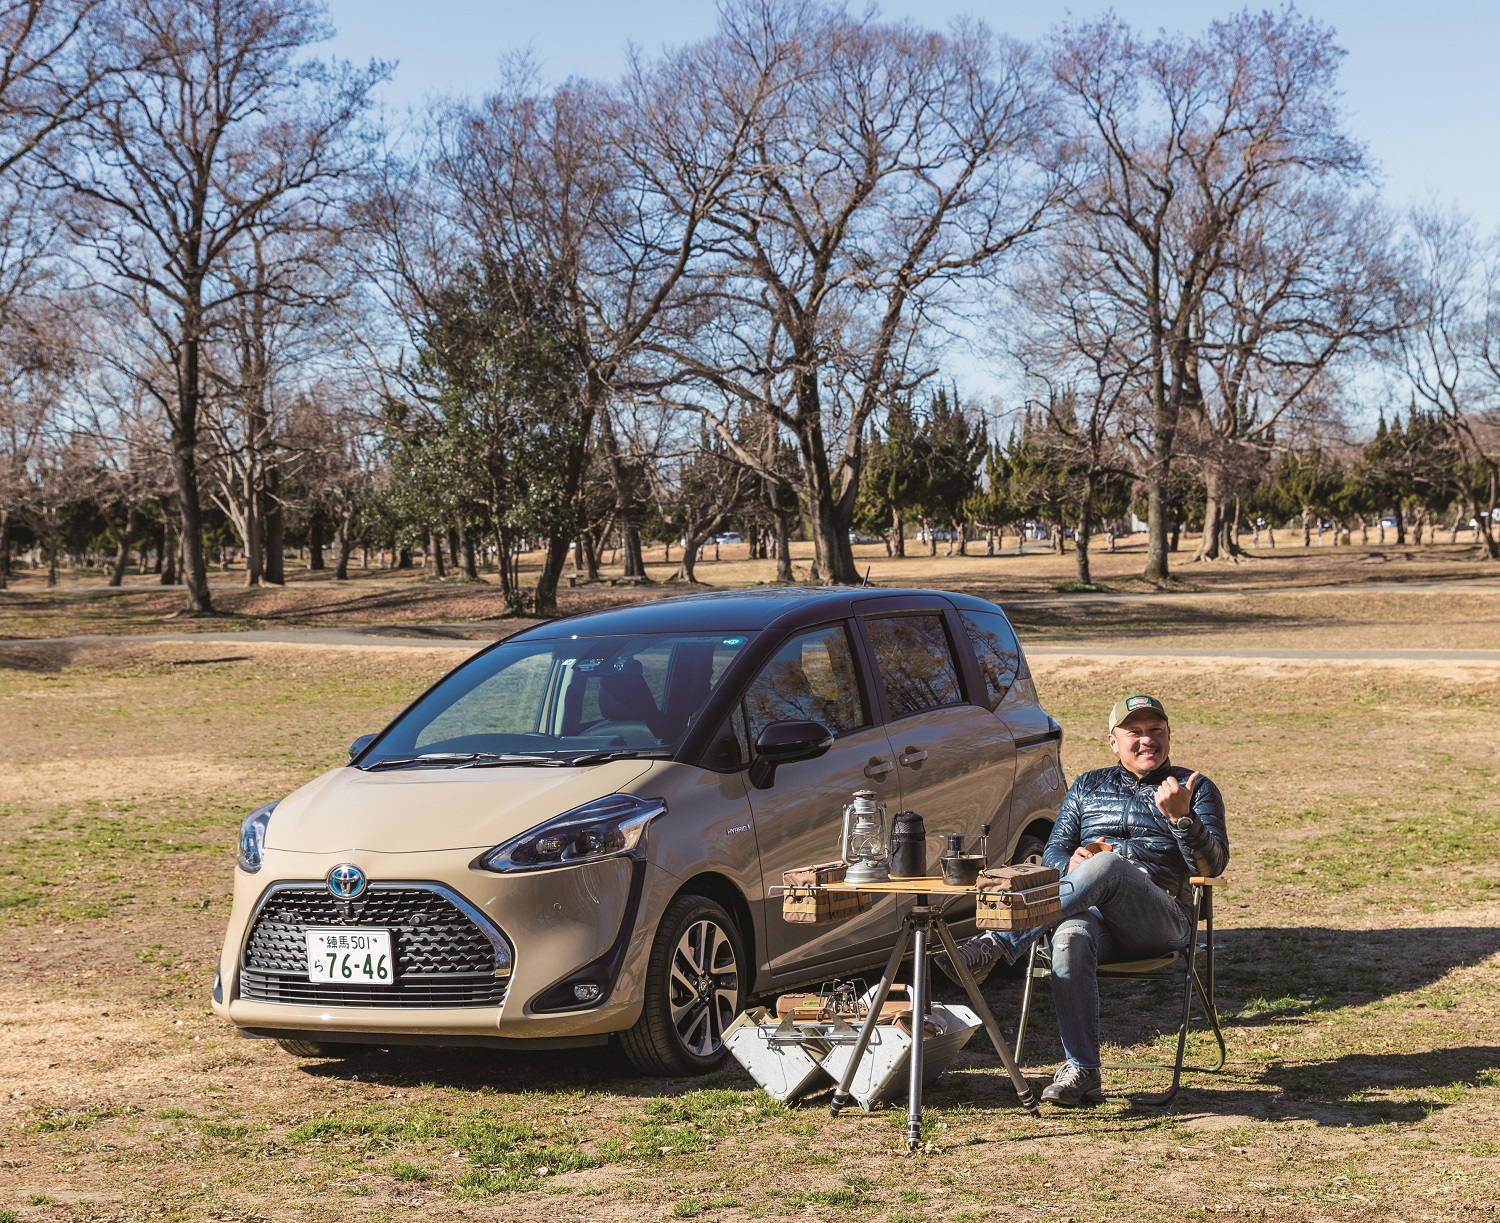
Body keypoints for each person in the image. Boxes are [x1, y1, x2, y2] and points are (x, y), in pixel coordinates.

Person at [939, 692, 1229, 1107]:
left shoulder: (1193, 788)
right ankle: (1083, 1071)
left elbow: (1212, 866)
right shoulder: (1088, 786)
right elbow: (1053, 851)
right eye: (1135, 732)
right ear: (1113, 741)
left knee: (1110, 866)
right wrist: (1070, 859)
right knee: (1071, 935)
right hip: (1093, 916)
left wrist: (1183, 819)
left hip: (1160, 921)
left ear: (1169, 737)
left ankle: (997, 944)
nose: (1147, 740)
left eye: (1156, 731)